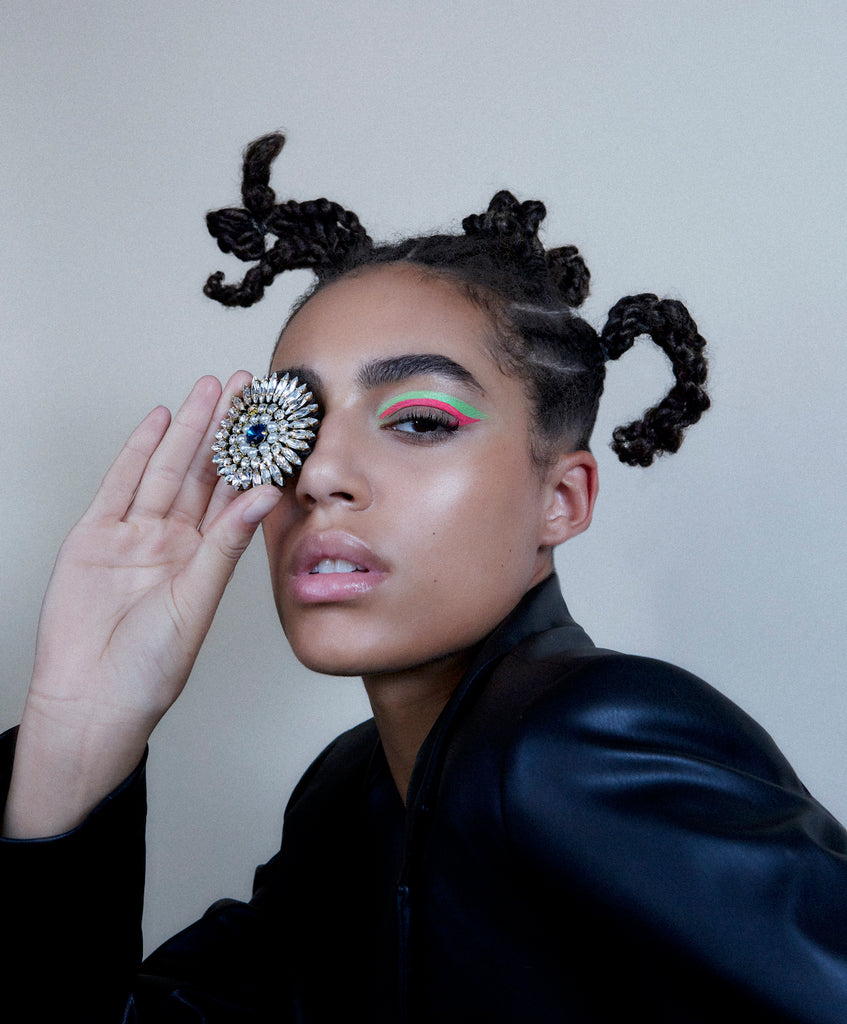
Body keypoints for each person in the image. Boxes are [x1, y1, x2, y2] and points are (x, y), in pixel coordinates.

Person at [2, 132, 846, 1023]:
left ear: (560, 499)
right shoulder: (350, 798)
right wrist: (80, 730)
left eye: (417, 421)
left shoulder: (570, 747)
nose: (319, 474)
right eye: (289, 424)